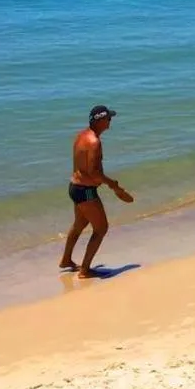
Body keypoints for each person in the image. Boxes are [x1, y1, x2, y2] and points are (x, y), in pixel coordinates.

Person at [59, 105, 133, 278]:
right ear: (100, 120)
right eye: (108, 118)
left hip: (74, 187)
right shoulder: (94, 142)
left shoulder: (81, 136)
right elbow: (94, 173)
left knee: (79, 225)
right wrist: (113, 184)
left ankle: (66, 260)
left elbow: (82, 167)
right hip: (86, 192)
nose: (110, 121)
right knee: (101, 229)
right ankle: (85, 270)